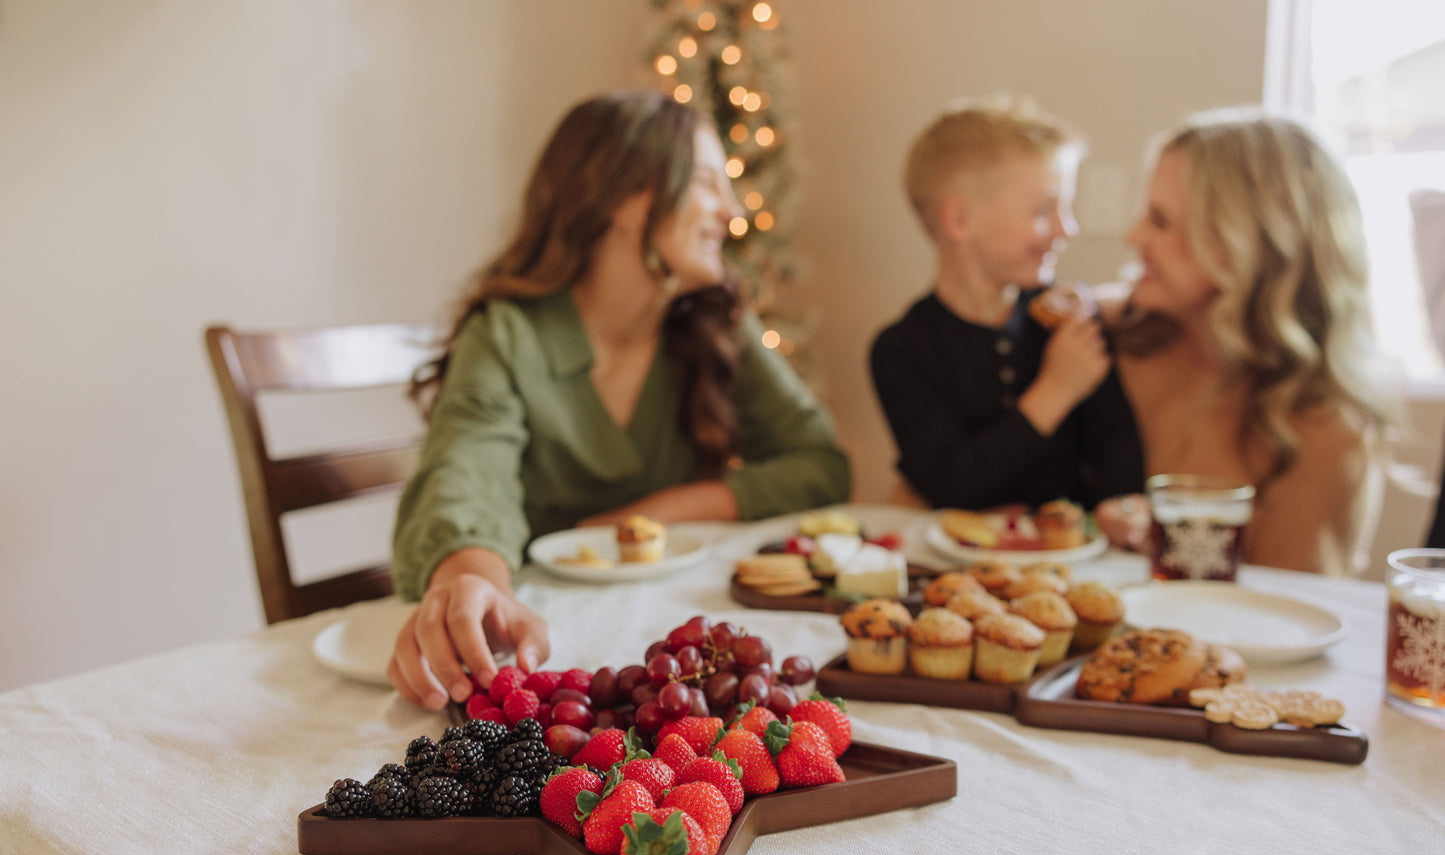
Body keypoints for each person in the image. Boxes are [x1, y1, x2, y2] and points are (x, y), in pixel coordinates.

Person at [388, 91, 850, 709]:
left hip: (679, 653)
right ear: (629, 201)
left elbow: (820, 463)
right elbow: (466, 481)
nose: (733, 210)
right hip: (548, 663)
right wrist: (472, 584)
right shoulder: (507, 334)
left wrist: (664, 510)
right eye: (710, 183)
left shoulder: (714, 324)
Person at [1110, 108, 1396, 576]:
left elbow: (1291, 624)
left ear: (1242, 243)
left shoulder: (1327, 427)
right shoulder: (1110, 336)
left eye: (1160, 221)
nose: (1132, 235)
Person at [870, 97, 1144, 513]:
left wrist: (1123, 505)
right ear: (960, 222)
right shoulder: (900, 351)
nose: (1066, 228)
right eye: (1043, 210)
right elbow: (951, 485)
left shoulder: (1068, 321)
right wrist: (1055, 391)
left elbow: (1117, 442)